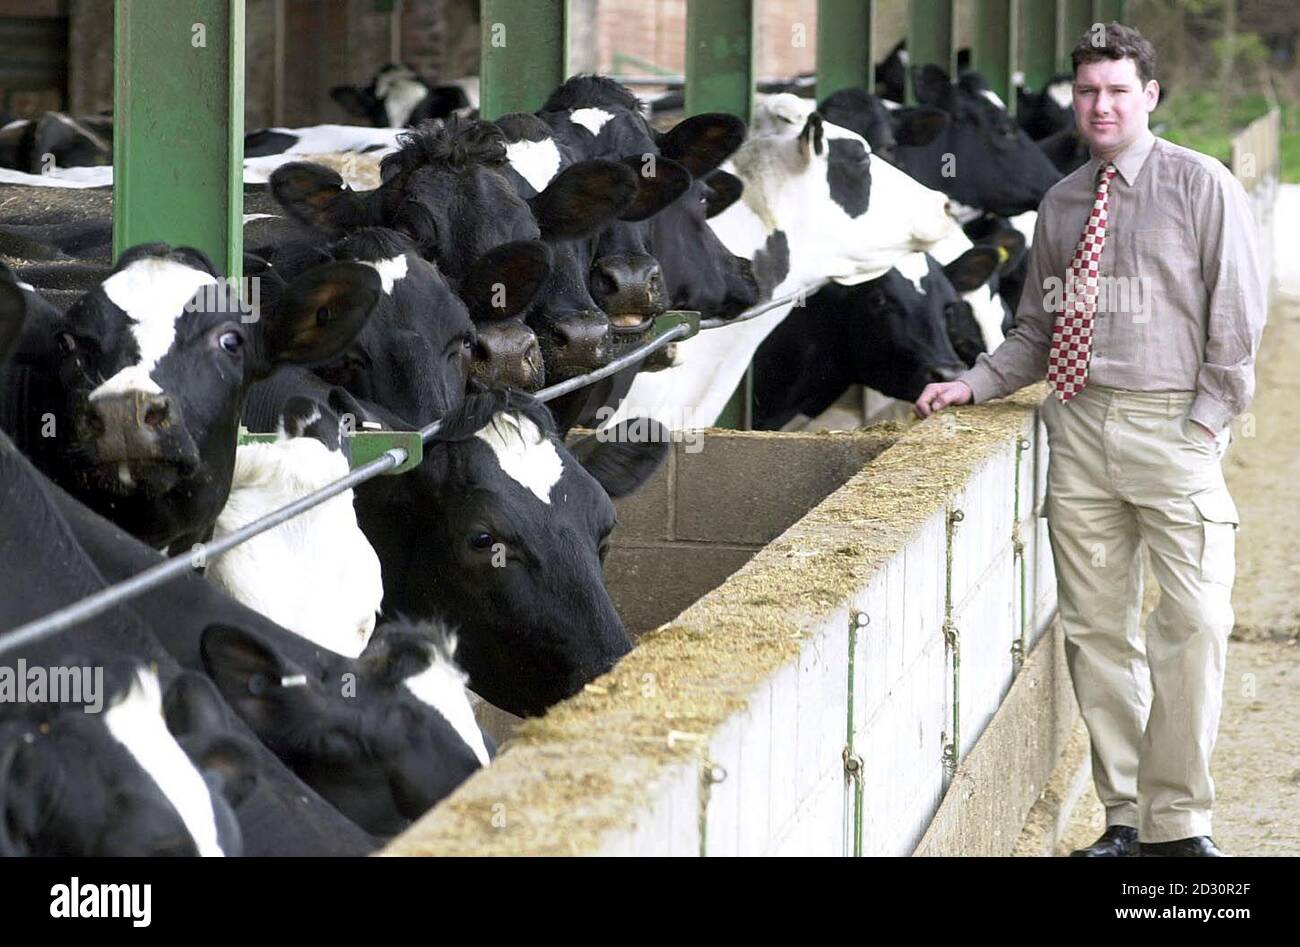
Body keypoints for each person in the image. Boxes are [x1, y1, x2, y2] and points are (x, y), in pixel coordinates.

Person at [914, 23, 1266, 857]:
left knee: (1197, 621)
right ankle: (1127, 820)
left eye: (1117, 90)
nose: (1101, 105)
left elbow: (1239, 315)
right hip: (1077, 428)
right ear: (1076, 100)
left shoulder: (1201, 185)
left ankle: (1181, 826)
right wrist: (976, 382)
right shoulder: (1063, 201)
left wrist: (1207, 422)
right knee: (1098, 630)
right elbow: (1037, 328)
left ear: (1149, 96)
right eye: (1088, 91)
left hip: (1172, 425)